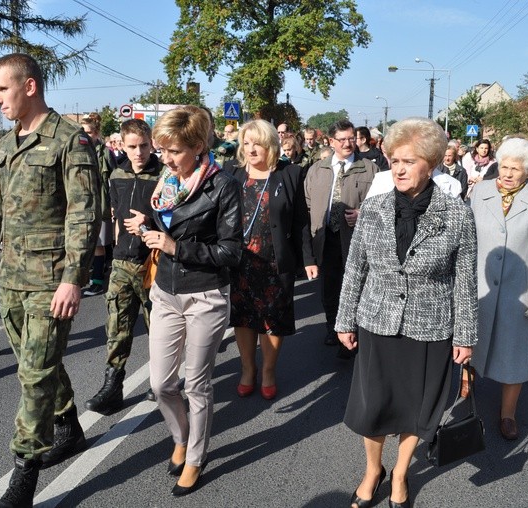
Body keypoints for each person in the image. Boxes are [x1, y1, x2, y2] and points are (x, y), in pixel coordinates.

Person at [0, 53, 101, 507]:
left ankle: (22, 475)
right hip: (13, 278)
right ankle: (68, 425)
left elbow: (84, 215)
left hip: (51, 280)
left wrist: (74, 278)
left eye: (2, 89)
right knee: (37, 362)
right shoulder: (4, 144)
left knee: (35, 375)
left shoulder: (69, 142)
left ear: (30, 86)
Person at [336, 118, 477, 508]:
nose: (398, 168)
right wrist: (344, 319)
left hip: (429, 327)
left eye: (408, 161)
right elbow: (356, 268)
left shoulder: (457, 214)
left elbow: (465, 280)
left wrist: (465, 336)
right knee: (374, 407)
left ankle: (400, 473)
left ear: (429, 163)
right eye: (393, 159)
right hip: (377, 321)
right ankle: (372, 470)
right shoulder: (375, 208)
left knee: (417, 411)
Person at [142, 106, 242, 496]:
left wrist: (176, 247)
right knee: (161, 383)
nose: (165, 159)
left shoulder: (222, 185)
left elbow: (231, 252)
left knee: (196, 383)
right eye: (162, 149)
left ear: (199, 147)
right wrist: (146, 228)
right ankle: (180, 436)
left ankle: (196, 457)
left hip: (206, 294)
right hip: (165, 292)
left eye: (174, 151)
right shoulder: (167, 179)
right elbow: (166, 223)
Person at [469, 137, 528, 440]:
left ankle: (507, 413)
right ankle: (465, 386)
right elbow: (466, 239)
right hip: (479, 285)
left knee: (516, 352)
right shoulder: (480, 191)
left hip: (521, 290)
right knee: (470, 343)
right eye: (504, 166)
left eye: (516, 169)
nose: (507, 173)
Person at [226, 120, 317, 400]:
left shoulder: (291, 174)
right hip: (240, 260)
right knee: (243, 318)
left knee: (272, 319)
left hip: (276, 260)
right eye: (246, 143)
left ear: (271, 145)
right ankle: (247, 369)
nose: (251, 149)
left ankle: (268, 370)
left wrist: (308, 258)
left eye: (258, 143)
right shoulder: (232, 174)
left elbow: (302, 220)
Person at [84, 118, 161, 414]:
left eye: (143, 146)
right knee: (117, 327)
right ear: (123, 146)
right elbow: (115, 216)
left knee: (158, 328)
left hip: (153, 262)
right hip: (122, 262)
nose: (139, 152)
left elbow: (175, 219)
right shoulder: (116, 174)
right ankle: (112, 386)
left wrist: (149, 222)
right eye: (132, 147)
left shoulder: (164, 175)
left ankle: (160, 380)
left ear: (151, 143)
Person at [304, 119, 379, 355]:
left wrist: (362, 213)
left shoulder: (370, 169)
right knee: (330, 287)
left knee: (355, 286)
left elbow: (382, 204)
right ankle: (332, 327)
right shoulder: (318, 169)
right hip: (326, 238)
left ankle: (352, 332)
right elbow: (307, 205)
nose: (348, 143)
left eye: (351, 138)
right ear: (331, 141)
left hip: (356, 239)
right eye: (343, 139)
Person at [80, 112, 116, 296]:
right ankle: (83, 278)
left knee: (98, 244)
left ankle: (98, 282)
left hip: (100, 205)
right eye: (83, 131)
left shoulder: (106, 153)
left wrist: (113, 204)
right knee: (82, 243)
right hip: (80, 205)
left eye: (89, 132)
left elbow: (115, 179)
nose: (85, 135)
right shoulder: (77, 150)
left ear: (96, 133)